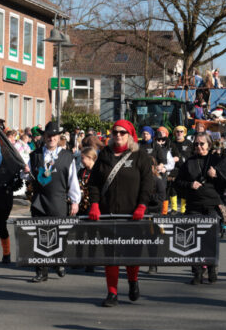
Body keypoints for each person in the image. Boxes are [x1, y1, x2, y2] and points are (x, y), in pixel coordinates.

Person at [88, 119, 153, 307]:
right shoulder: (104, 155)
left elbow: (147, 184)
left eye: (122, 132)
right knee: (111, 255)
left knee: (131, 253)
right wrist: (94, 204)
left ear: (130, 135)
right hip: (108, 213)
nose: (118, 135)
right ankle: (112, 292)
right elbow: (94, 183)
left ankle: (133, 282)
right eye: (115, 132)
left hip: (132, 214)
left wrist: (142, 205)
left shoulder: (139, 156)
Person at [26, 121, 81, 282]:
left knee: (58, 234)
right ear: (44, 136)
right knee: (39, 236)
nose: (51, 138)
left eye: (54, 136)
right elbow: (27, 176)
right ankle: (41, 271)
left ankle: (58, 262)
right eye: (49, 135)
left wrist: (75, 201)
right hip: (39, 201)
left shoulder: (67, 156)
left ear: (58, 137)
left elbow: (73, 181)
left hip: (58, 201)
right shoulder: (34, 155)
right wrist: (25, 172)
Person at [175, 132, 226, 284]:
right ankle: (197, 272)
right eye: (196, 144)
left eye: (202, 144)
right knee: (193, 240)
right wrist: (190, 184)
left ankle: (212, 269)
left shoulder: (217, 160)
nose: (198, 146)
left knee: (210, 239)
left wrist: (216, 176)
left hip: (212, 204)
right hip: (194, 205)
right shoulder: (189, 162)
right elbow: (178, 183)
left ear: (209, 145)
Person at [169, 125, 192, 214]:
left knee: (184, 189)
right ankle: (174, 209)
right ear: (175, 133)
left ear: (184, 133)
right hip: (174, 169)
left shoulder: (189, 143)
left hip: (186, 169)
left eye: (181, 131)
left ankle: (183, 209)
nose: (179, 133)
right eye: (177, 131)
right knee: (172, 188)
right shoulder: (171, 143)